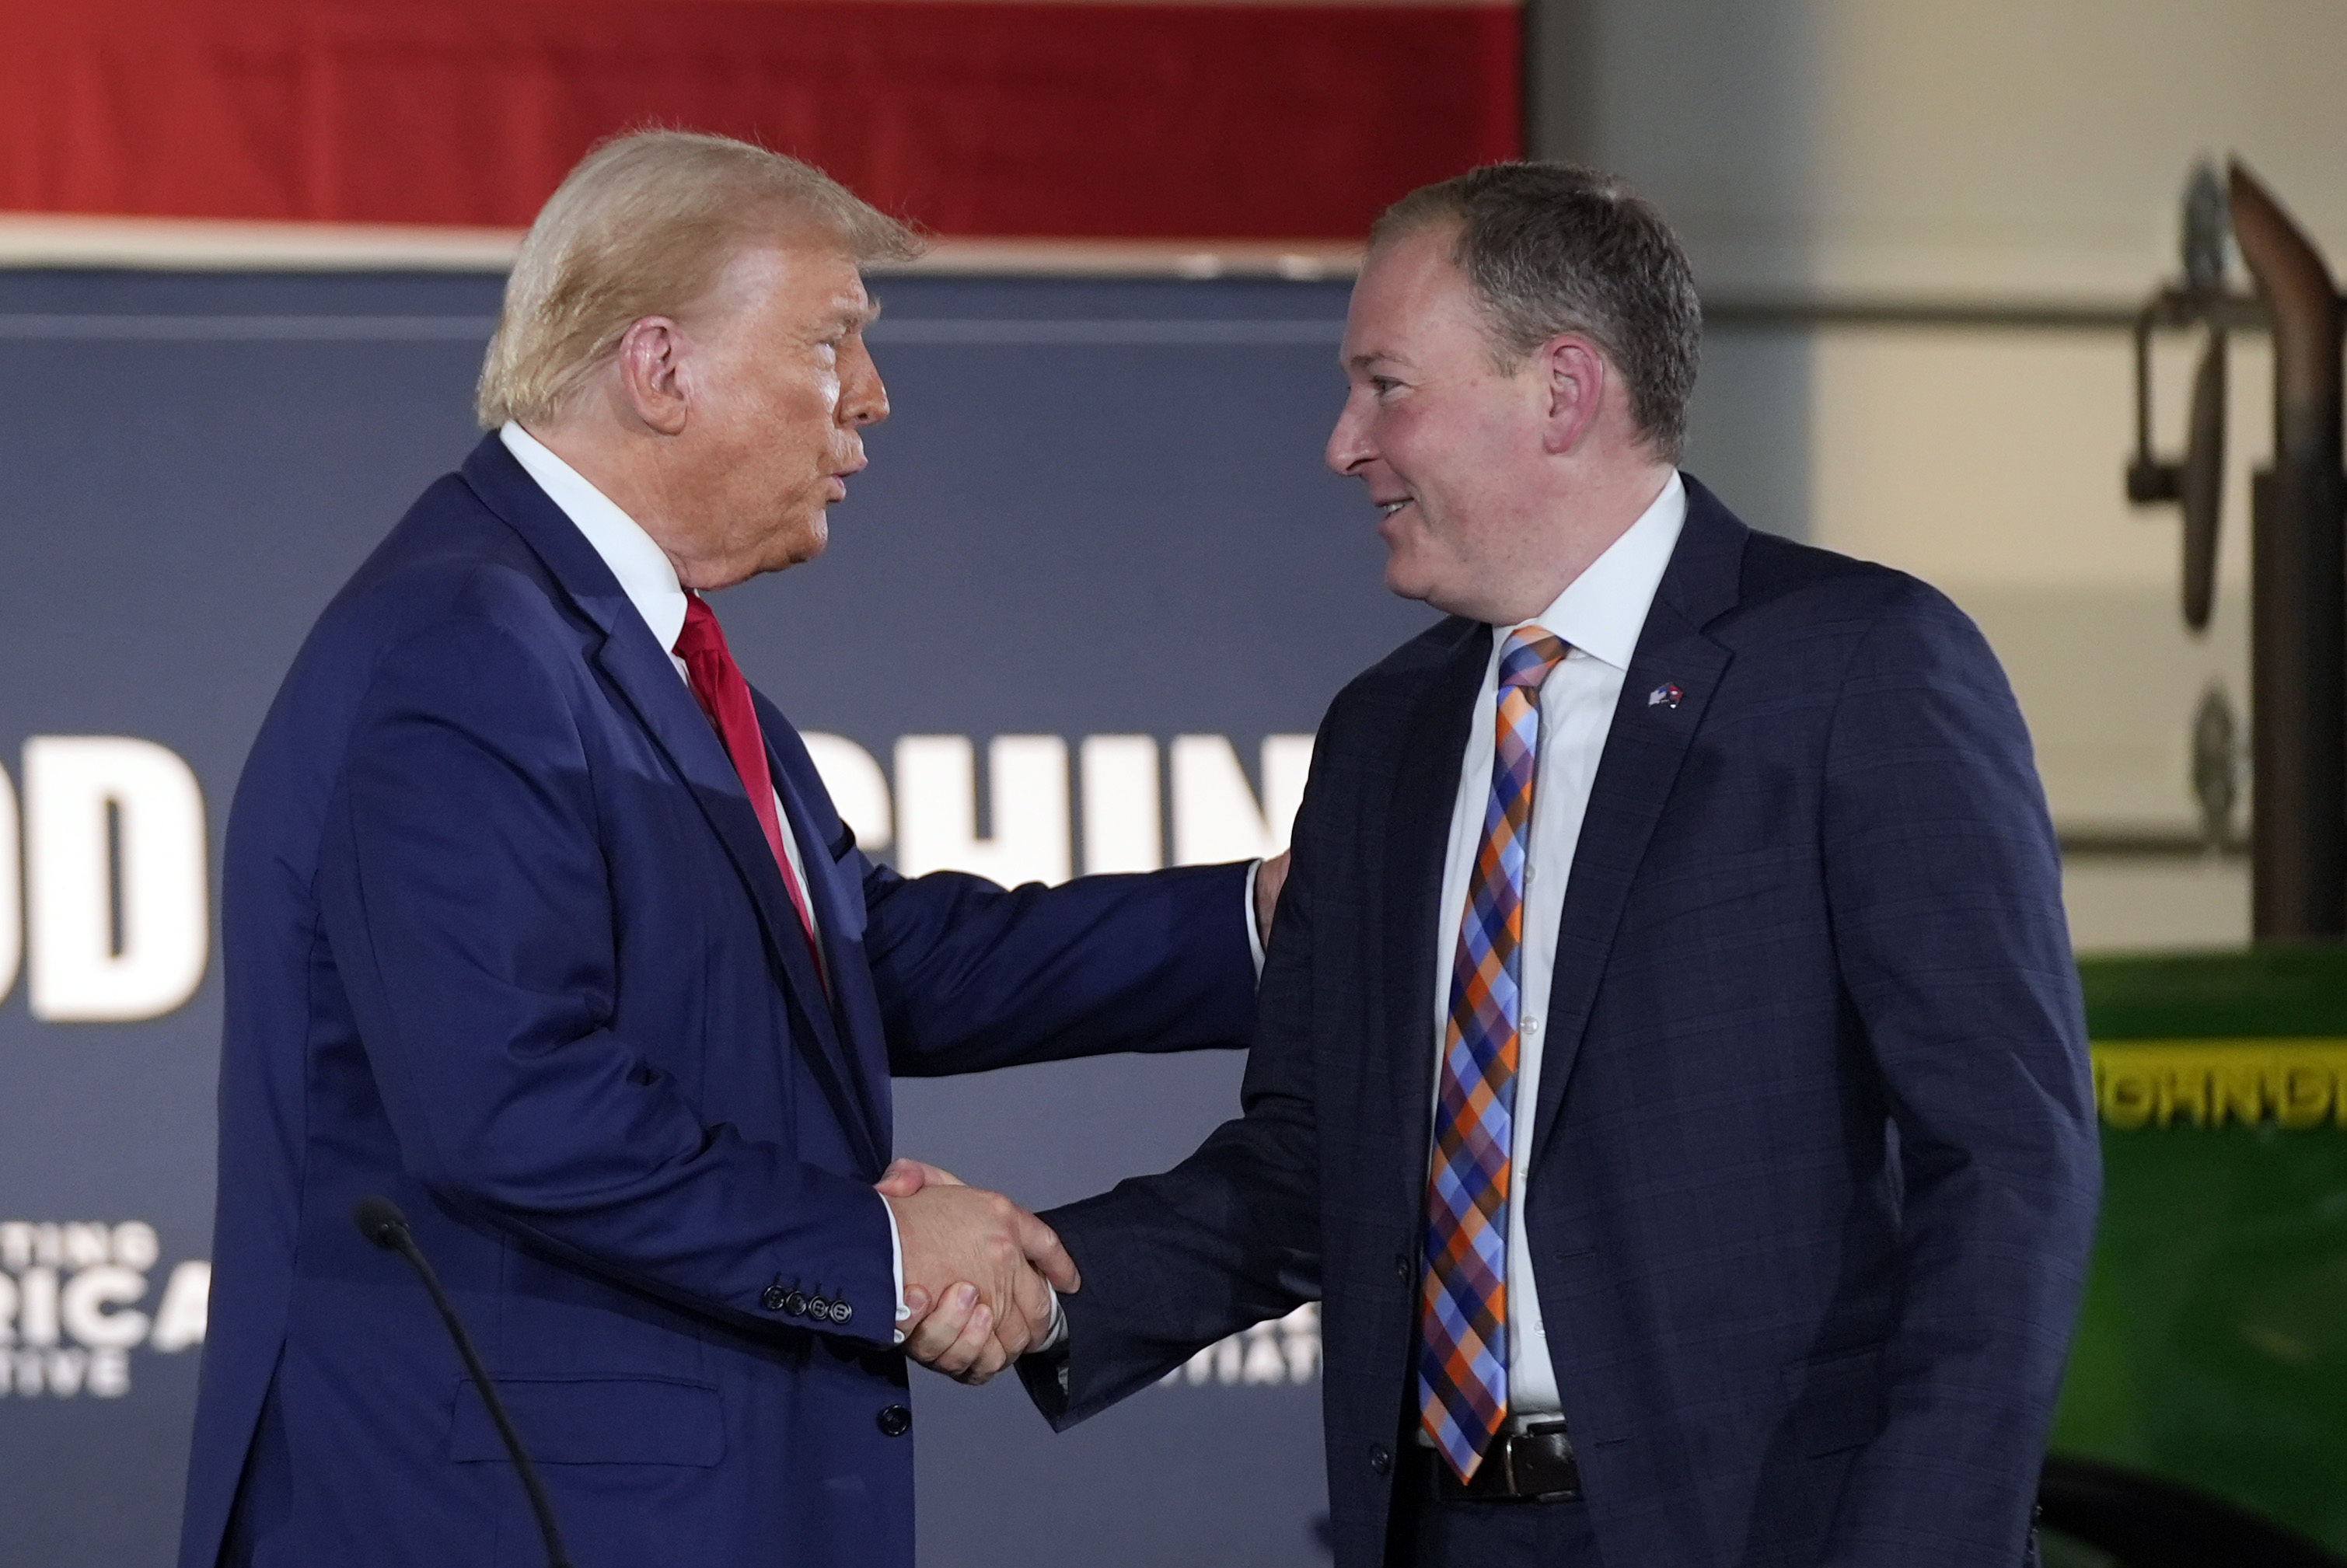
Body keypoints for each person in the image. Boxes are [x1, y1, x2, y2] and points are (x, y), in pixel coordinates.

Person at [948, 162, 2101, 1565]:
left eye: (1387, 386)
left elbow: (2012, 1157)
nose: (1342, 444)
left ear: (1562, 390)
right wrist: (1046, 1280)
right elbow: (1320, 1158)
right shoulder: (1387, 733)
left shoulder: (1861, 664)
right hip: (1445, 1530)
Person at [178, 131, 1279, 1568]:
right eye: (834, 342)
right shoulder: (468, 647)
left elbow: (865, 958)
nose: (871, 400)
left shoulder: (621, 641)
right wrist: (876, 1255)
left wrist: (1261, 918)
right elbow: (514, 1105)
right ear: (661, 368)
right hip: (501, 1512)